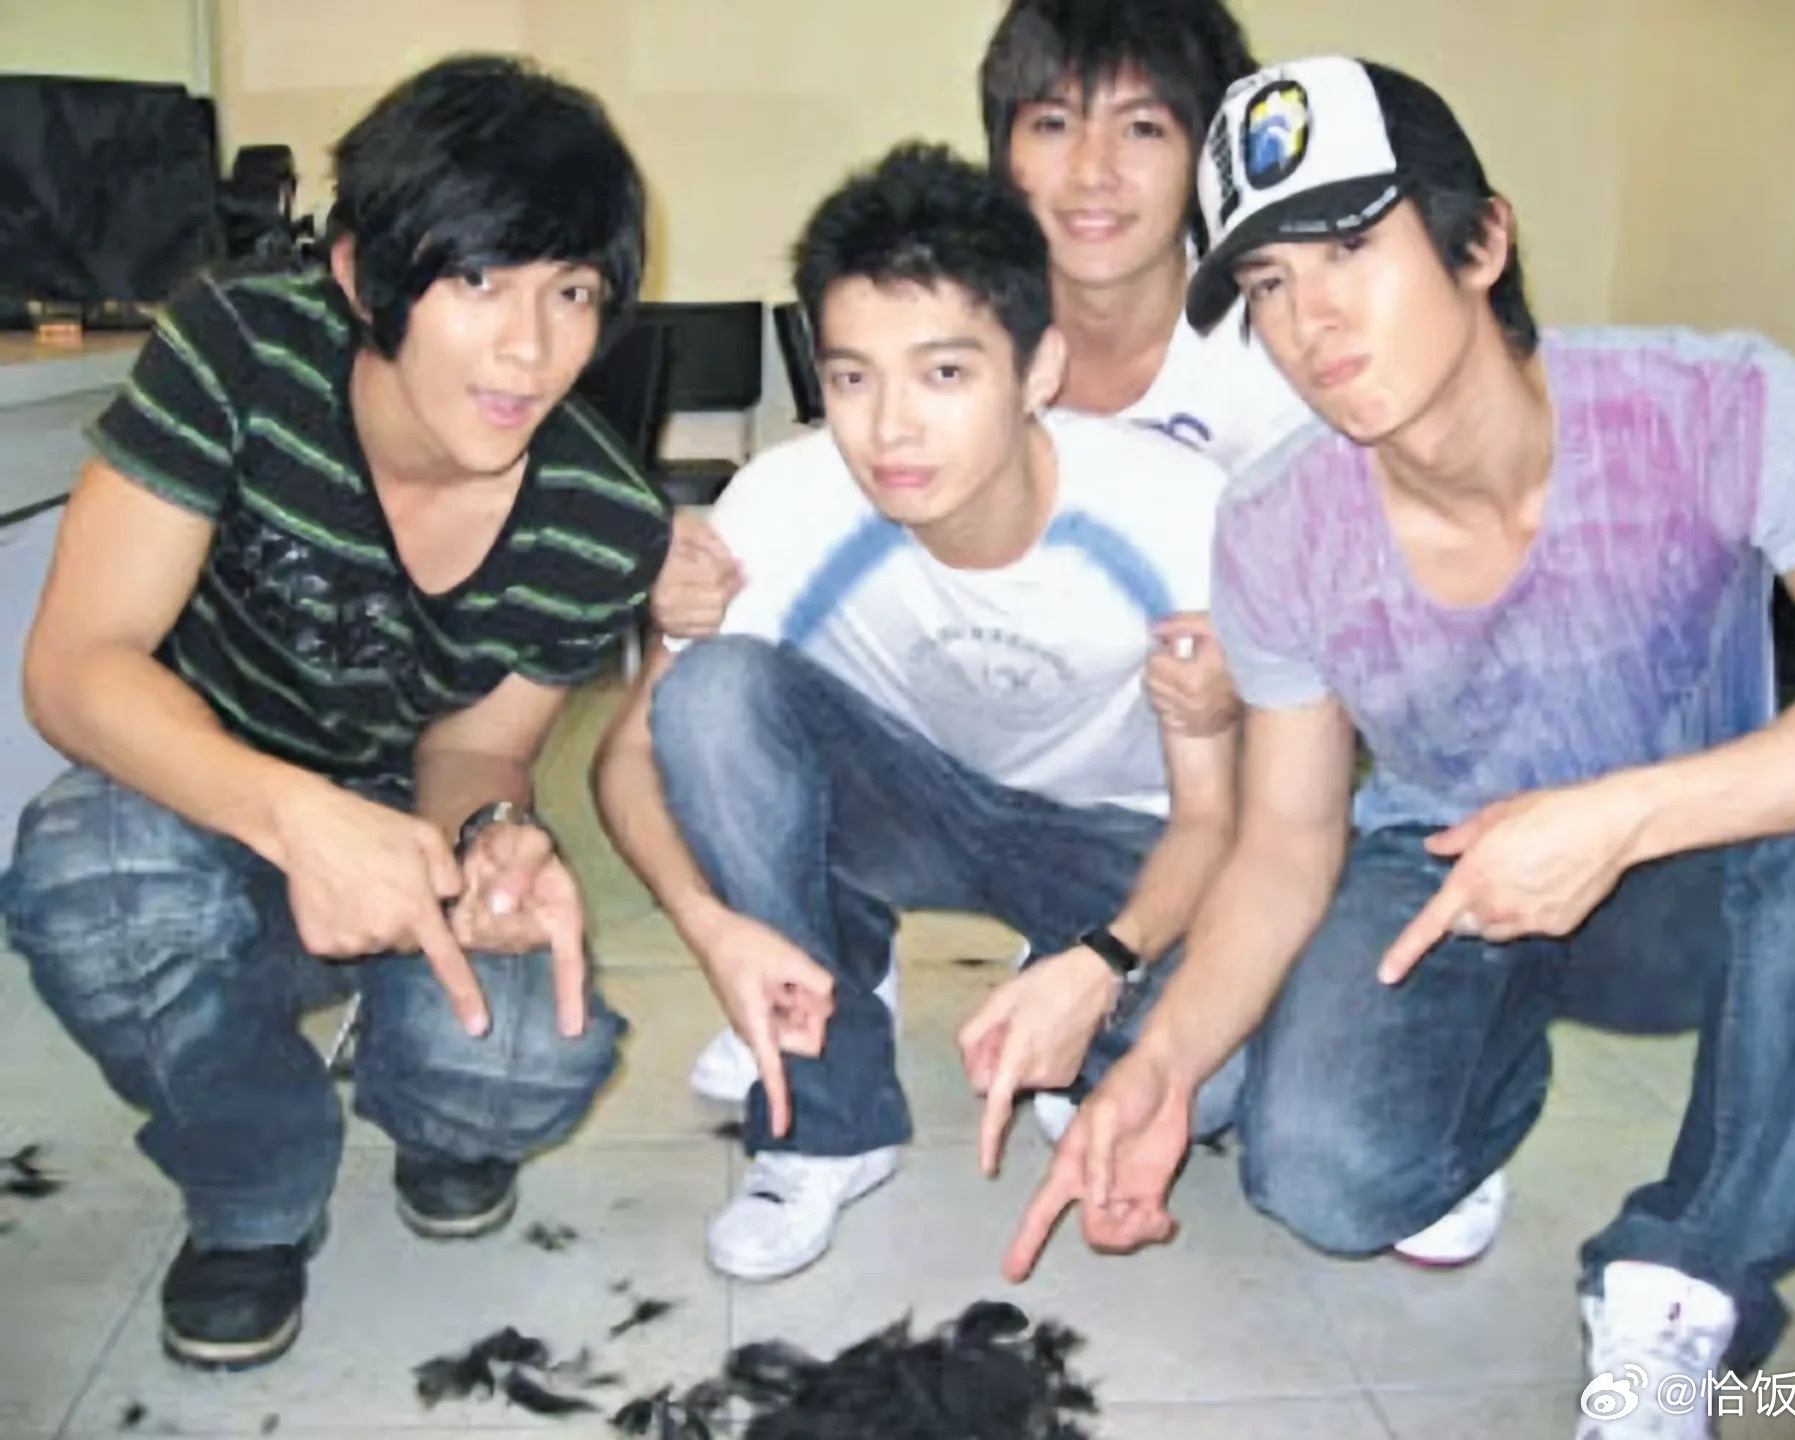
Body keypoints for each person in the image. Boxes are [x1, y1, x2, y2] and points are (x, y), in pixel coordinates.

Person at [1003, 55, 1795, 1439]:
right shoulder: (1278, 524)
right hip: (1439, 872)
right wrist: (1164, 1066)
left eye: (1349, 249)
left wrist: (1616, 816)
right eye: (1267, 284)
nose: (1309, 319)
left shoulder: (1718, 405)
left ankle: (1684, 1278)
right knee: (1322, 1183)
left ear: (1479, 241)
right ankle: (1475, 1093)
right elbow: (1286, 843)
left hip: (1696, 871)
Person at [0, 55, 668, 1370]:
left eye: (572, 291)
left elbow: (478, 746)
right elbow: (78, 664)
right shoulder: (238, 351)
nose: (530, 349)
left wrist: (490, 841)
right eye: (478, 281)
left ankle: (432, 1109)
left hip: (402, 826)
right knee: (86, 874)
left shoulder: (602, 518)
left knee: (528, 1057)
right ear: (365, 276)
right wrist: (298, 820)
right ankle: (254, 1183)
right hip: (204, 802)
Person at [592, 142, 1242, 1282]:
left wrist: (1105, 958)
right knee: (712, 694)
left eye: (944, 374)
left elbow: (1215, 826)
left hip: (1112, 846)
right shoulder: (785, 504)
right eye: (852, 379)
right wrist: (710, 926)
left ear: (1038, 370)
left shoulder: (1174, 515)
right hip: (915, 810)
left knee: (1222, 1082)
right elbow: (629, 758)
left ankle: (1064, 994)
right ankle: (828, 1118)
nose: (890, 429)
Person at [663, 0, 1306, 1107]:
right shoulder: (936, 317)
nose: (1092, 172)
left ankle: (1076, 954)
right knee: (722, 698)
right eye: (1052, 124)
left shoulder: (1279, 357)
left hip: (1149, 787)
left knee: (1218, 1081)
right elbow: (674, 718)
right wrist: (683, 582)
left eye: (1142, 128)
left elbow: (1355, 642)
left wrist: (1254, 680)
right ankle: (828, 962)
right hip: (938, 750)